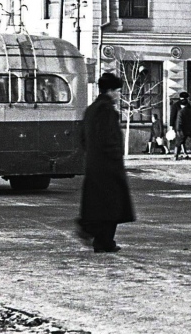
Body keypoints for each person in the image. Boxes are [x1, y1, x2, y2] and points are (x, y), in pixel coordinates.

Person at [77, 72, 135, 253]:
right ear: (109, 91)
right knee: (113, 205)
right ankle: (99, 237)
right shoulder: (107, 111)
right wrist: (116, 157)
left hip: (94, 163)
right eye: (117, 91)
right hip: (108, 165)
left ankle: (97, 236)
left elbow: (82, 137)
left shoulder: (92, 109)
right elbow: (109, 139)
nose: (119, 95)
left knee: (99, 204)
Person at [172, 93, 191, 160]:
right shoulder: (190, 110)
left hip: (181, 128)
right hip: (189, 129)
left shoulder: (180, 111)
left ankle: (175, 156)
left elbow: (177, 120)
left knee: (178, 142)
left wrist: (176, 129)